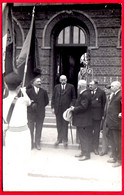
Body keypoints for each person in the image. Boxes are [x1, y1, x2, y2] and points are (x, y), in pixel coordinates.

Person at [3, 83, 32, 189]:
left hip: (10, 133)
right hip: (23, 133)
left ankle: (12, 184)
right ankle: (21, 184)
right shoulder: (22, 100)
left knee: (12, 159)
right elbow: (29, 101)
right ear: (18, 88)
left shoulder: (3, 102)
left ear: (7, 87)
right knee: (23, 158)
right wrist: (23, 91)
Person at [51, 75, 76, 147]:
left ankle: (65, 139)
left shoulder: (71, 87)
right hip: (58, 108)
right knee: (58, 124)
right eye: (61, 80)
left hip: (66, 109)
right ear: (59, 80)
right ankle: (59, 139)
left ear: (66, 80)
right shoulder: (56, 87)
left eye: (64, 80)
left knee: (65, 124)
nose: (63, 81)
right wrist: (53, 107)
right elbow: (53, 97)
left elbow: (73, 98)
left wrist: (71, 106)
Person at [71, 80, 92, 161]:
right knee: (82, 137)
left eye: (78, 85)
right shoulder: (84, 93)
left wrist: (74, 109)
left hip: (83, 120)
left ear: (80, 86)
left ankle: (86, 155)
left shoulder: (85, 94)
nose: (77, 87)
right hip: (82, 120)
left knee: (84, 137)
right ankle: (83, 152)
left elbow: (84, 106)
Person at [26, 76, 49, 150]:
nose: (40, 83)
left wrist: (40, 106)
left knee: (39, 129)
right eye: (38, 81)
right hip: (31, 113)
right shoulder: (28, 91)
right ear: (33, 83)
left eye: (40, 81)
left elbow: (46, 101)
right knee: (30, 129)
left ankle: (37, 143)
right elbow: (26, 102)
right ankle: (30, 144)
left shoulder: (43, 91)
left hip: (40, 113)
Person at [106, 81, 122, 167]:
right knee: (112, 140)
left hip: (116, 123)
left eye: (112, 86)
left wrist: (121, 113)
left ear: (117, 87)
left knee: (118, 142)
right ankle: (115, 157)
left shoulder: (121, 95)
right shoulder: (114, 94)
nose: (110, 87)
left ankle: (119, 160)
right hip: (111, 122)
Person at [89, 80, 106, 155]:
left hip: (97, 116)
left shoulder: (101, 92)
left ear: (96, 85)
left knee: (96, 132)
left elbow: (104, 104)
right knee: (89, 132)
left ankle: (95, 148)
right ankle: (89, 147)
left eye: (91, 85)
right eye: (89, 85)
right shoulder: (88, 92)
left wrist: (102, 115)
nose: (90, 86)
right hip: (88, 116)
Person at [99, 84, 112, 156]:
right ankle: (104, 150)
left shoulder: (114, 97)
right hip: (105, 117)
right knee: (104, 133)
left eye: (107, 89)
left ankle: (114, 152)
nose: (105, 90)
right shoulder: (106, 97)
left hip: (112, 118)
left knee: (112, 135)